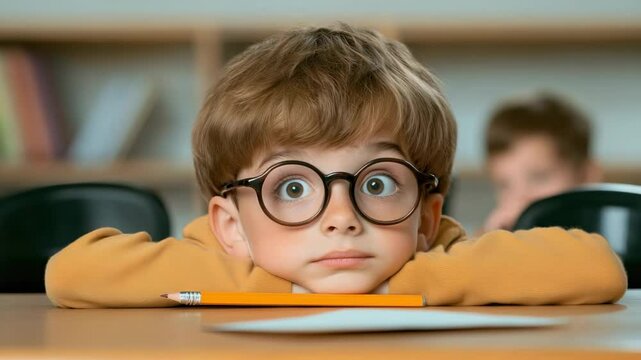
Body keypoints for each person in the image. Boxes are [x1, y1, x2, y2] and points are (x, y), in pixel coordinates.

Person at [45, 24, 625, 308]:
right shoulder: (222, 251)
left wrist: (400, 286)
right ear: (231, 225)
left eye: (376, 183)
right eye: (293, 187)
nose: (342, 218)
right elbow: (69, 275)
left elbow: (597, 268)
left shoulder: (434, 248)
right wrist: (260, 281)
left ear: (426, 215)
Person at [482, 92, 602, 232]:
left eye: (539, 177)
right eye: (504, 185)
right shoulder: (499, 237)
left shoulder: (604, 241)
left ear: (587, 177)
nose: (520, 199)